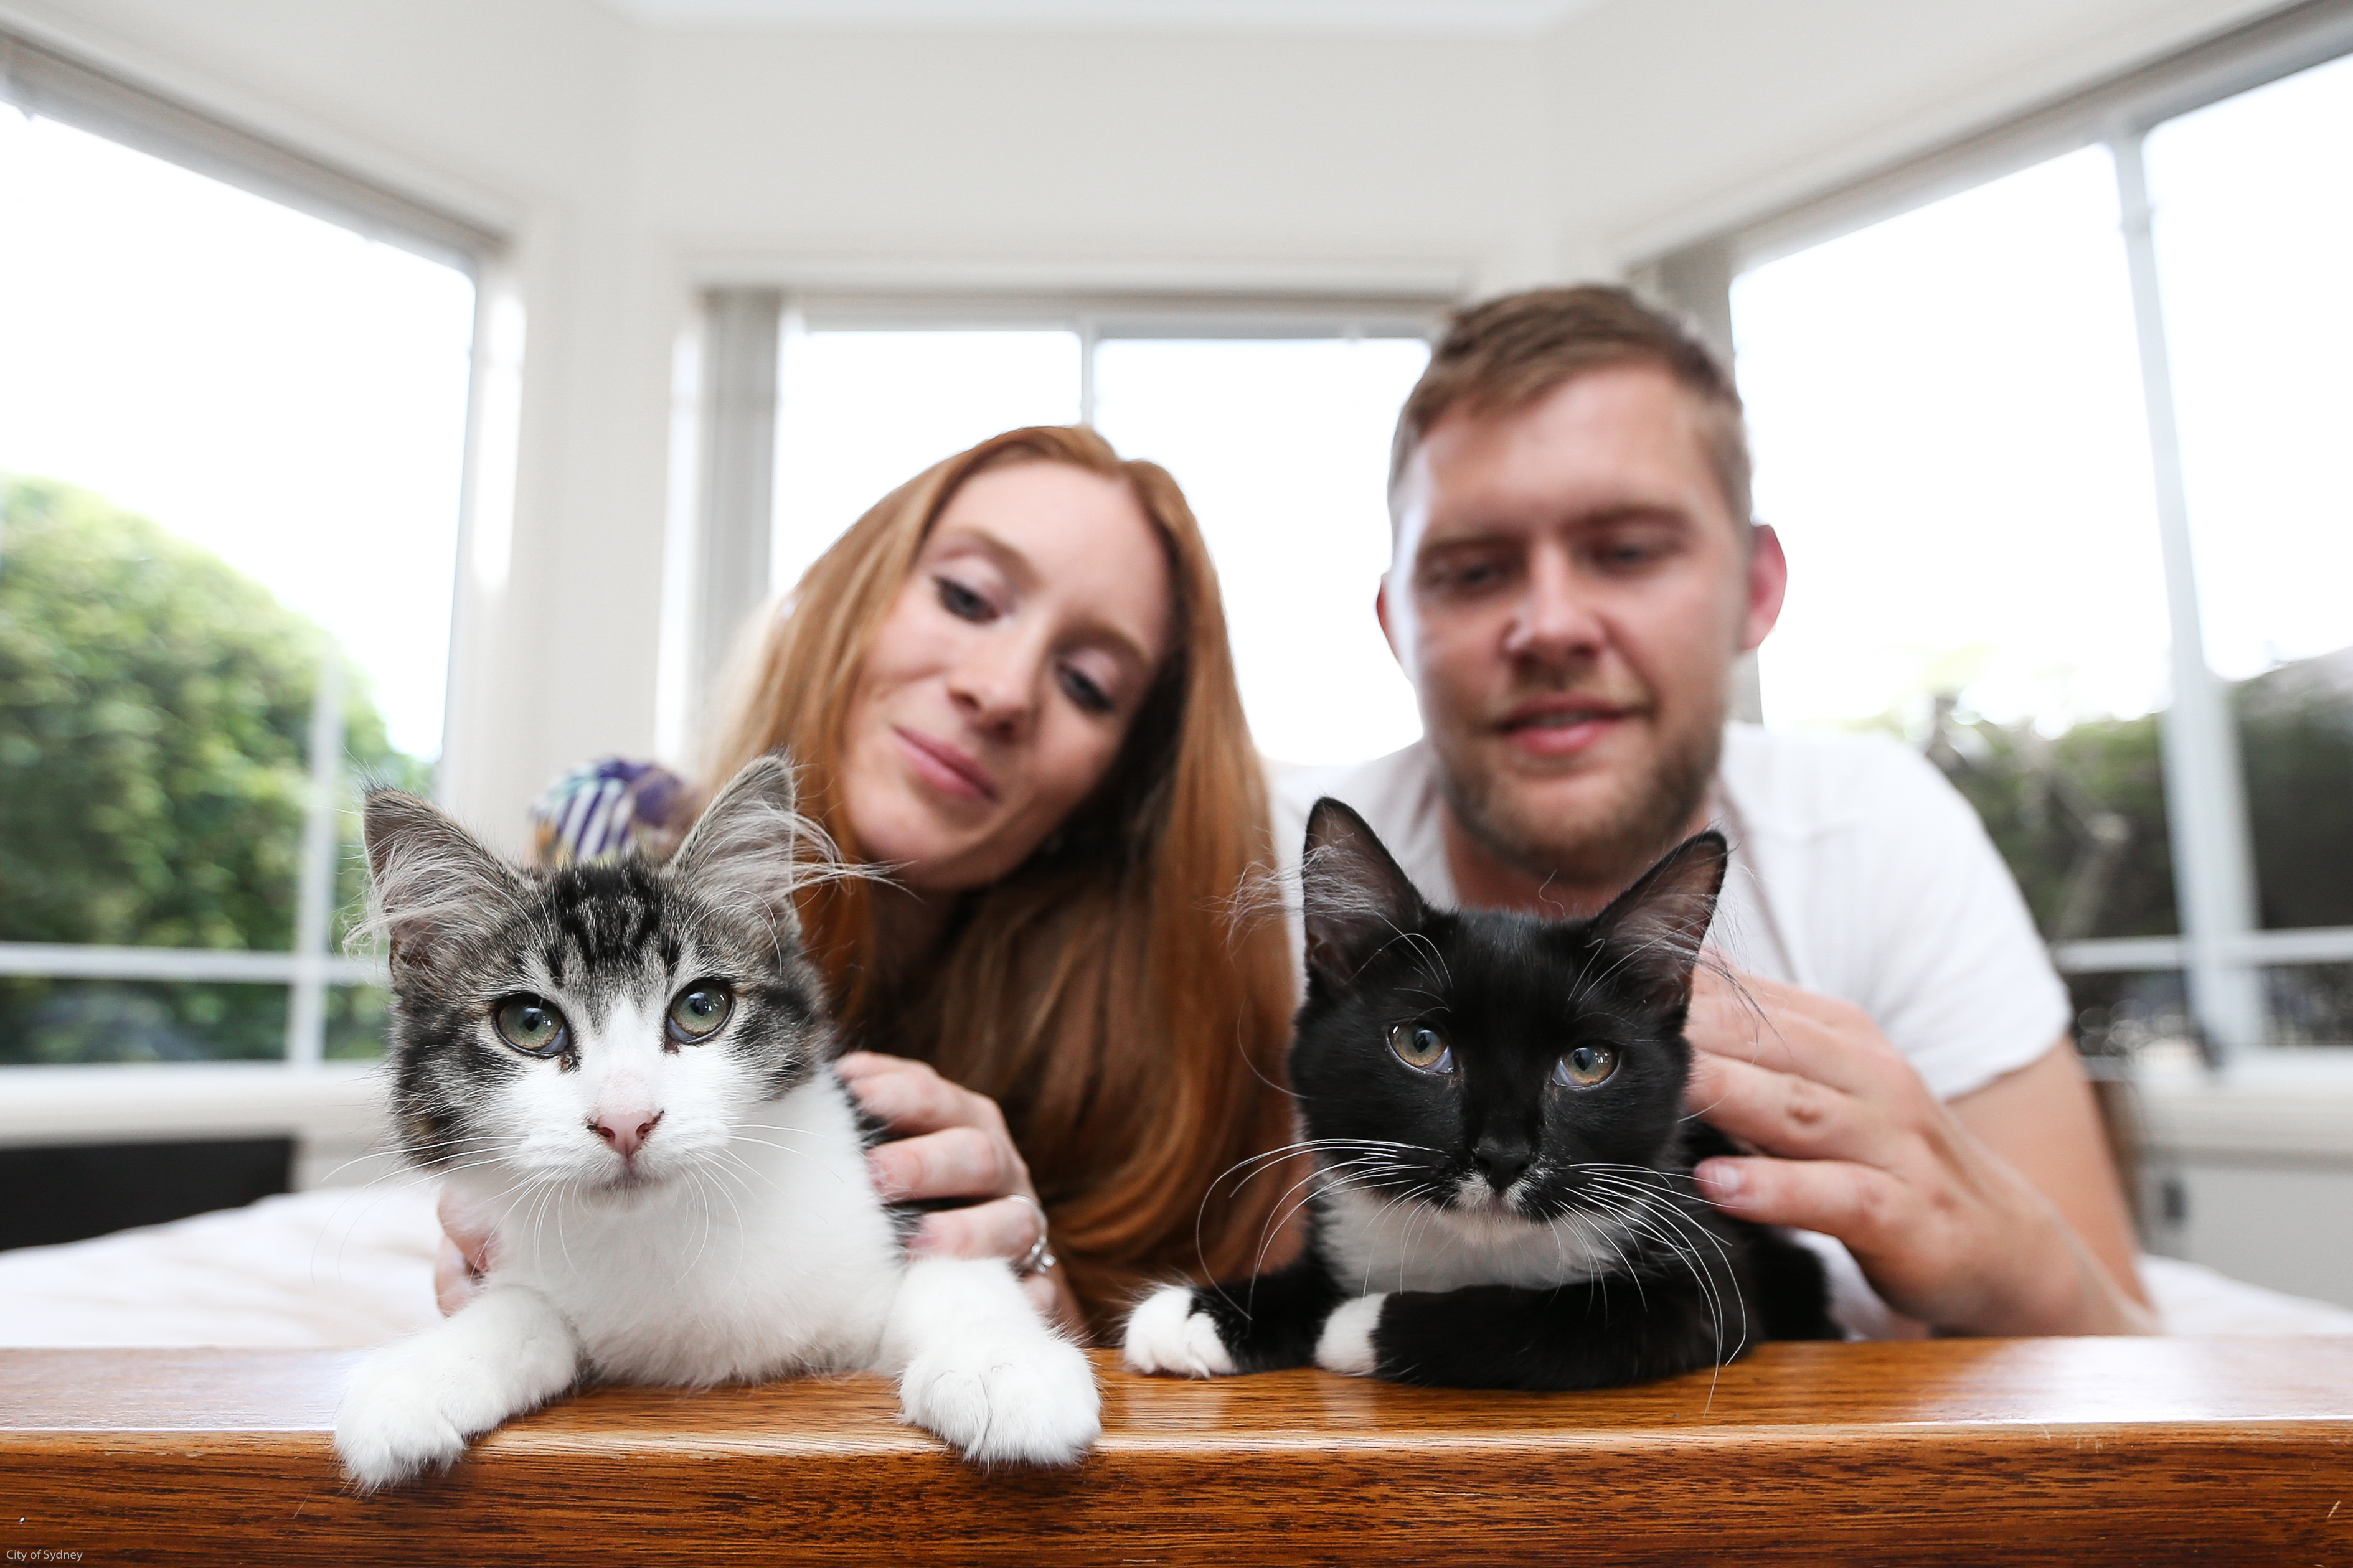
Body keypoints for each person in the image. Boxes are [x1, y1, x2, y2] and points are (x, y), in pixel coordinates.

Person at [1276, 284, 2156, 1337]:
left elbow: (2122, 1355)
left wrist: (2007, 1263)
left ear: (1756, 588)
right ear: (1397, 623)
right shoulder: (1278, 855)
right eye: (1473, 572)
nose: (1551, 626)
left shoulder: (1877, 836)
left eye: (1628, 551)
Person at [444, 426, 1301, 1338]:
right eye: (968, 598)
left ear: (1114, 789)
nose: (1003, 690)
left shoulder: (1153, 1043)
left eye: (1089, 685)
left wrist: (1045, 1295)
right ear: (848, 594)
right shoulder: (608, 827)